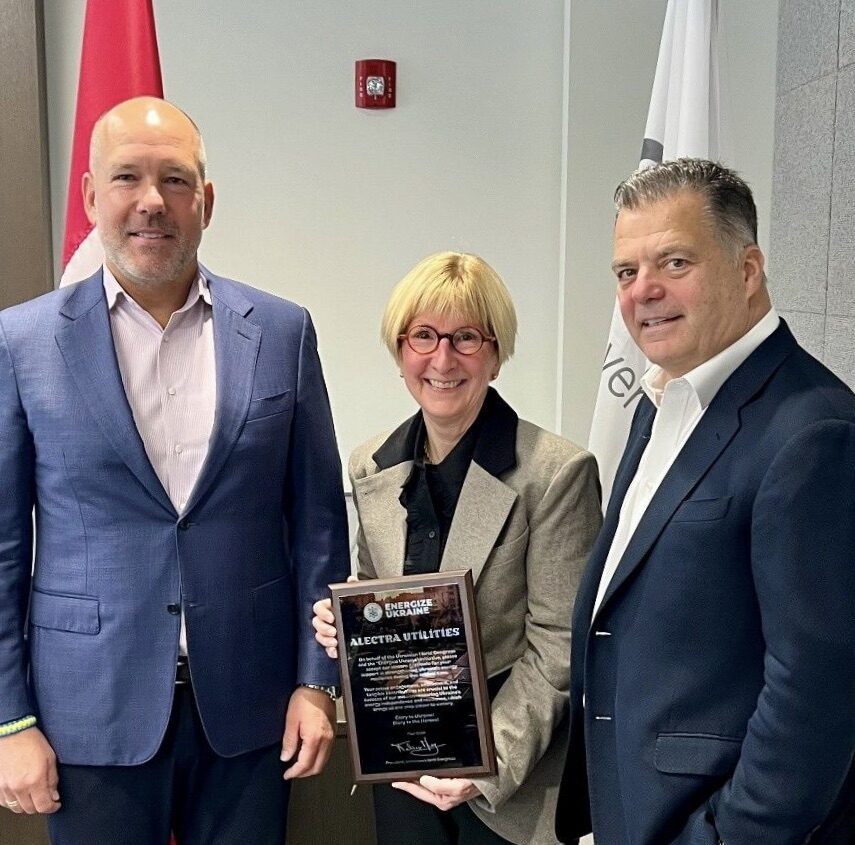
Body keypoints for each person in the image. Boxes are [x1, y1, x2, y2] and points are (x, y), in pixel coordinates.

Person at [0, 97, 349, 844]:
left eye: (176, 180)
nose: (152, 202)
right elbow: (2, 547)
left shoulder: (282, 332)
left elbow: (319, 523)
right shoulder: (21, 343)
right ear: (93, 195)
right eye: (127, 177)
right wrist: (9, 718)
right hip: (87, 715)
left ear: (207, 201)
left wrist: (316, 681)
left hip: (252, 714)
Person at [556, 159, 855, 845]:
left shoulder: (812, 432)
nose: (643, 291)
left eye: (674, 261)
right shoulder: (661, 398)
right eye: (625, 273)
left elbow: (816, 696)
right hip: (629, 814)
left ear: (747, 270)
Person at [313, 251, 602, 845]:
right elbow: (382, 615)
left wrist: (484, 763)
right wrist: (347, 631)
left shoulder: (557, 473)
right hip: (402, 769)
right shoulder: (371, 465)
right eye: (423, 336)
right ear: (400, 352)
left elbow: (559, 648)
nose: (442, 359)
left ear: (495, 354)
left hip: (508, 784)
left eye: (465, 337)